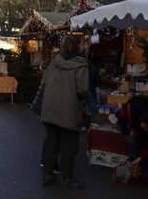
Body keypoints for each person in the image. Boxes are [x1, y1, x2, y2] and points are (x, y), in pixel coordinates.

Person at [40, 35, 89, 189]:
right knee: (70, 145)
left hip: (50, 109)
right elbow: (83, 89)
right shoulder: (81, 65)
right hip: (69, 110)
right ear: (78, 46)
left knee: (51, 142)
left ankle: (48, 174)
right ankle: (67, 177)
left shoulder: (54, 62)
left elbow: (45, 82)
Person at [116, 95, 148, 182]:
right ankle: (131, 168)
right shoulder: (132, 108)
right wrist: (127, 131)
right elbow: (121, 118)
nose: (145, 129)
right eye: (144, 126)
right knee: (133, 142)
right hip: (130, 126)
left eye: (147, 127)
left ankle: (145, 175)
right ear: (141, 120)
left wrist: (141, 157)